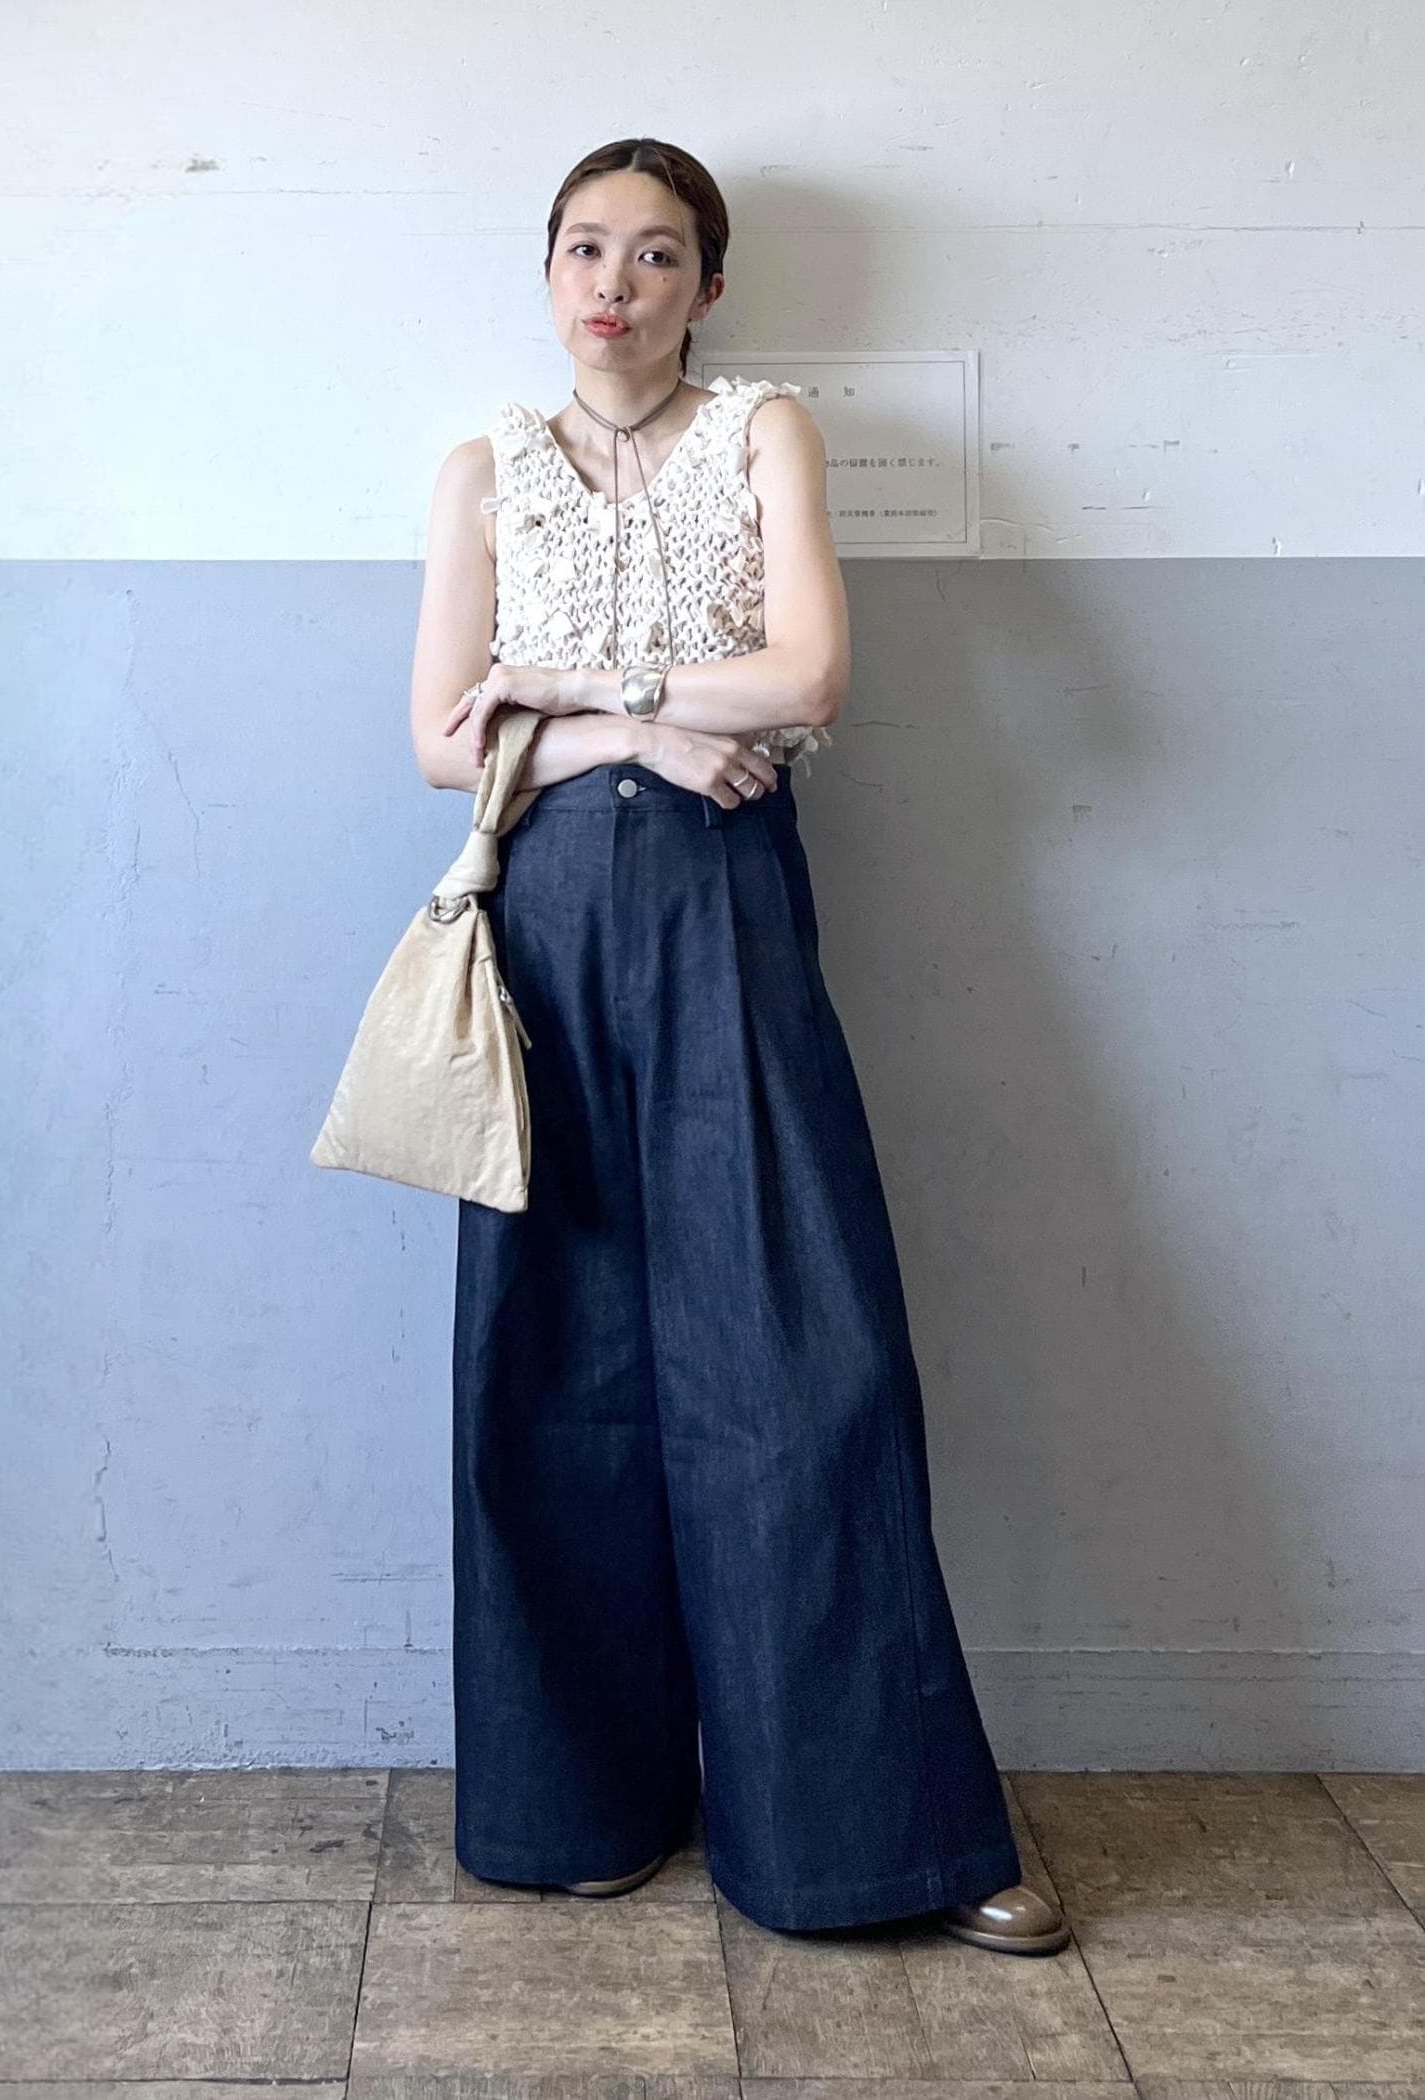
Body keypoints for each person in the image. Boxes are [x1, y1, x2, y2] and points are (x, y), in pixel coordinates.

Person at [409, 135, 1069, 1955]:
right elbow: (443, 738)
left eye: (654, 253)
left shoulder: (766, 432)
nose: (613, 283)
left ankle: (874, 1839)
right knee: (550, 1350)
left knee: (799, 1346)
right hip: (542, 924)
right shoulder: (482, 469)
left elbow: (808, 681)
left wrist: (577, 689)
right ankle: (573, 1809)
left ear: (708, 285)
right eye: (583, 247)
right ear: (546, 271)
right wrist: (636, 737)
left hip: (729, 904)